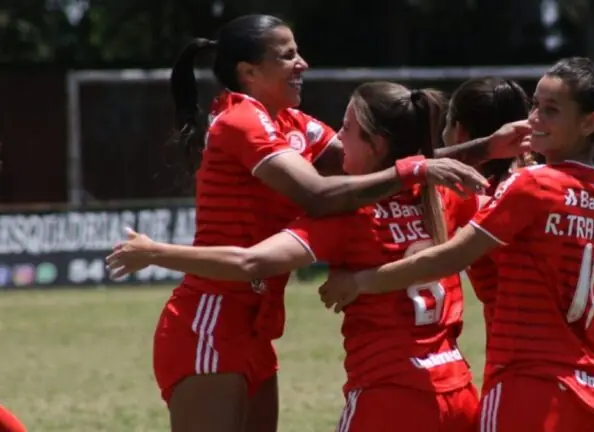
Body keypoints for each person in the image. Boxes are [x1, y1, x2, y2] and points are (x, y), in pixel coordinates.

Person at [155, 13, 528, 432]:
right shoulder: (241, 119)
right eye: (288, 55)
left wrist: (484, 147)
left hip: (254, 321)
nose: (303, 64)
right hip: (213, 315)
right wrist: (417, 172)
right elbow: (320, 192)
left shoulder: (293, 125)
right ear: (249, 72)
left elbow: (382, 160)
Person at [317, 55, 594, 432]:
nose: (536, 119)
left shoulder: (530, 186)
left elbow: (450, 257)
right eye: (535, 106)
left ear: (589, 122)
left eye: (551, 111)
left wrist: (360, 282)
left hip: (528, 383)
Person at [442, 77, 536, 382]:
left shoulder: (476, 201)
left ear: (459, 132)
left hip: (517, 362)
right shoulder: (543, 184)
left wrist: (364, 281)